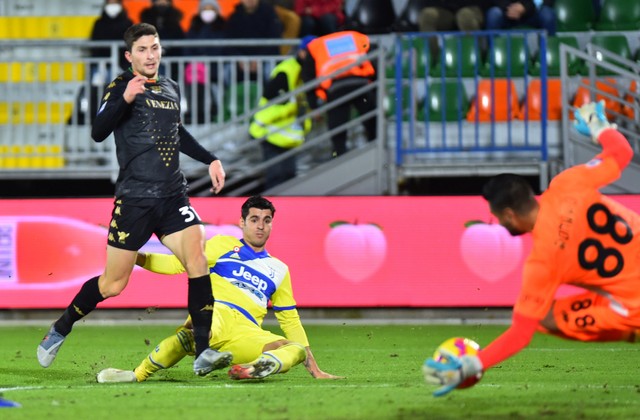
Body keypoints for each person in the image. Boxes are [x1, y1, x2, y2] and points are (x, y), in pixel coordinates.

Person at [37, 23, 232, 379]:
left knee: (198, 258)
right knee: (113, 285)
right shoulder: (119, 87)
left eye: (155, 47)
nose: (151, 55)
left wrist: (211, 158)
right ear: (129, 56)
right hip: (136, 200)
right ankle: (61, 327)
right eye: (142, 49)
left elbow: (177, 133)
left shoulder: (170, 87)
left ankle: (203, 351)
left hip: (173, 196)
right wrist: (124, 99)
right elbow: (98, 132)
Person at [424, 101, 640, 396]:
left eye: (499, 218)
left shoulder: (543, 263)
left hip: (634, 305)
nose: (500, 224)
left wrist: (471, 365)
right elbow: (622, 153)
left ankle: (631, 329)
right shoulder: (568, 183)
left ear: (510, 215)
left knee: (545, 317)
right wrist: (597, 124)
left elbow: (520, 334)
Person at [95, 195, 343, 383]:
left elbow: (289, 319)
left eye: (267, 220)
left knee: (294, 349)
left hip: (247, 332)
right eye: (254, 219)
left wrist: (315, 369)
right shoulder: (222, 245)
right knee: (193, 334)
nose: (260, 226)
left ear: (272, 225)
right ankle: (135, 375)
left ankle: (252, 369)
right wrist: (134, 256)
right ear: (242, 223)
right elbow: (174, 264)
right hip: (217, 315)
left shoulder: (279, 269)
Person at [249, 36, 314, 190]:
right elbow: (273, 100)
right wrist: (296, 106)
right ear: (302, 52)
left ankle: (285, 212)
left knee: (289, 177)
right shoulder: (287, 70)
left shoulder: (305, 70)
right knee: (276, 178)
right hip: (270, 131)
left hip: (286, 134)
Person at [300, 30, 377, 157]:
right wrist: (374, 87)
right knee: (371, 120)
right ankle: (376, 149)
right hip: (361, 83)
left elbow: (309, 80)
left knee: (337, 128)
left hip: (336, 89)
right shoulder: (354, 36)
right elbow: (373, 57)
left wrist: (314, 107)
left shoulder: (314, 47)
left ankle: (340, 156)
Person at [69, 0, 133, 125]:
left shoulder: (128, 24)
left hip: (121, 65)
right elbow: (95, 47)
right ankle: (95, 114)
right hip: (100, 64)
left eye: (115, 3)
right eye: (110, 3)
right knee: (96, 83)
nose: (112, 6)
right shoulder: (98, 24)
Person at [183, 0, 227, 124]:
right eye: (205, 8)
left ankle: (211, 110)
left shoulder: (223, 27)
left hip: (216, 65)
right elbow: (187, 48)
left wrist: (208, 58)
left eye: (211, 8)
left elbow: (224, 48)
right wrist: (196, 59)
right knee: (194, 75)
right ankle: (195, 111)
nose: (208, 12)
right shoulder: (194, 27)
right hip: (196, 66)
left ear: (217, 11)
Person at [225, 0, 283, 82]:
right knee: (227, 72)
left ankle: (270, 95)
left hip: (266, 58)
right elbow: (228, 42)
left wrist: (259, 58)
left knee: (271, 72)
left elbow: (274, 39)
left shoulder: (270, 15)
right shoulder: (234, 16)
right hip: (240, 61)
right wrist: (239, 58)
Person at [417, 1, 486, 57]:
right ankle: (432, 62)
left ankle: (477, 60)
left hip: (472, 7)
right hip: (444, 10)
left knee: (465, 16)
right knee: (427, 15)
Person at [140, 0, 185, 76]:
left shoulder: (175, 22)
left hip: (173, 61)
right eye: (159, 0)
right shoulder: (146, 20)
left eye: (165, 1)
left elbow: (180, 43)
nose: (161, 3)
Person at [485, 1, 556, 36]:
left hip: (532, 12)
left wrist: (524, 7)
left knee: (547, 14)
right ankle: (493, 54)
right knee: (493, 14)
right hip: (505, 11)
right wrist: (510, 8)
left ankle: (548, 54)